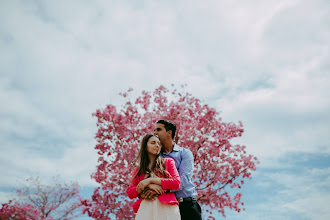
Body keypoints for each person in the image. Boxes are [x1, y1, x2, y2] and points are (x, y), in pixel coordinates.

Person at [143, 120, 202, 220]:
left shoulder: (185, 153)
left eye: (158, 129)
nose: (155, 132)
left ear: (169, 132)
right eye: (154, 130)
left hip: (187, 206)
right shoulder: (155, 157)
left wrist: (160, 189)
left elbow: (183, 180)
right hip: (165, 207)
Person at [127, 133, 181, 220]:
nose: (157, 145)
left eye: (159, 143)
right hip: (146, 207)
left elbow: (176, 182)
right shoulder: (139, 169)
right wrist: (147, 186)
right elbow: (130, 192)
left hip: (167, 207)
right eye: (153, 143)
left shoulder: (168, 162)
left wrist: (150, 180)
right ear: (145, 147)